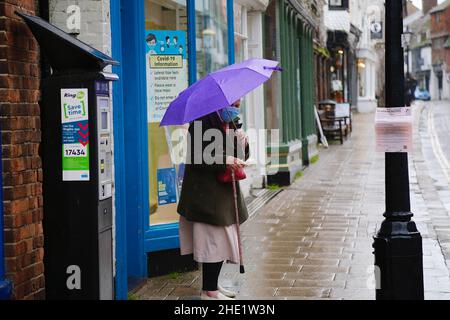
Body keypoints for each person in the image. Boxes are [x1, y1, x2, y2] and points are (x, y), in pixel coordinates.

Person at [177, 99, 249, 300]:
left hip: (223, 193)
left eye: (237, 105)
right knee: (214, 243)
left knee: (220, 243)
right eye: (233, 104)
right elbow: (196, 156)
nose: (235, 108)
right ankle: (209, 292)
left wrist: (243, 142)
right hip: (206, 195)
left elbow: (240, 155)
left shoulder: (232, 122)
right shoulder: (201, 121)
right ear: (220, 103)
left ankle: (211, 286)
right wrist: (224, 160)